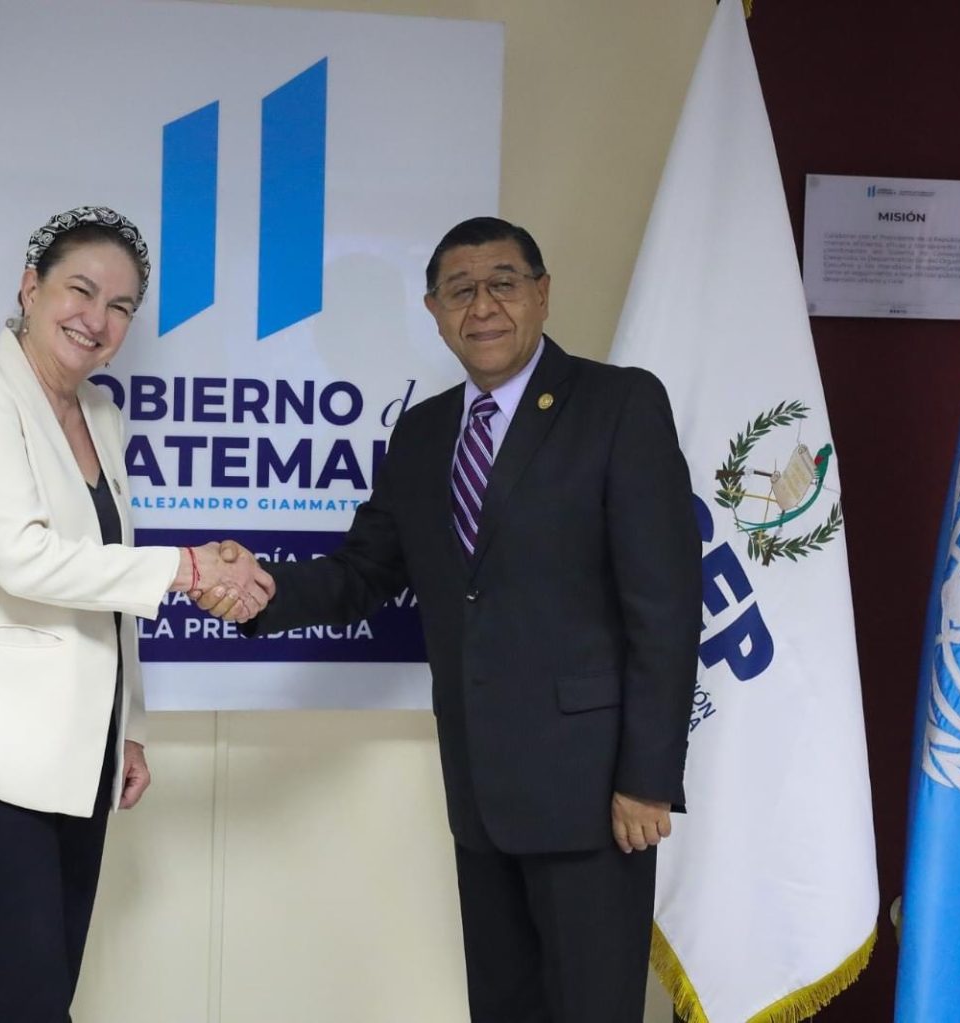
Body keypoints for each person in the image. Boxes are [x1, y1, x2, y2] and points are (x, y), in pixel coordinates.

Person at [200, 216, 701, 1022]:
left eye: (503, 283)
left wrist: (647, 778)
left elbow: (666, 606)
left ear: (542, 293)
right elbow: (364, 572)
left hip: (594, 799)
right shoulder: (424, 431)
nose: (483, 305)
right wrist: (258, 590)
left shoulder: (619, 405)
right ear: (434, 312)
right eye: (460, 290)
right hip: (479, 794)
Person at [0, 206, 272, 1022]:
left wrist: (128, 725)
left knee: (35, 995)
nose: (97, 319)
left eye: (121, 306)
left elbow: (103, 581)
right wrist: (188, 567)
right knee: (20, 1002)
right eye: (81, 290)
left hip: (76, 753)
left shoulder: (101, 414)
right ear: (31, 287)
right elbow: (21, 557)